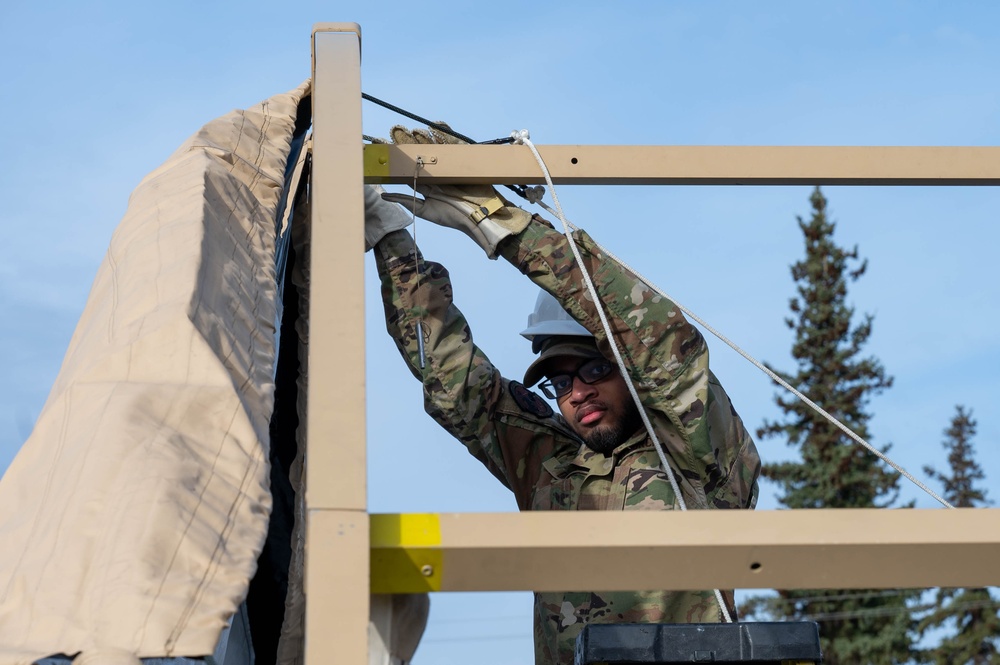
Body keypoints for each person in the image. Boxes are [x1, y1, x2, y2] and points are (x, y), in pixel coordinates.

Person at [364, 166, 761, 665]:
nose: (577, 393)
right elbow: (461, 390)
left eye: (595, 369)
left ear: (630, 368)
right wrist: (390, 239)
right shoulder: (552, 468)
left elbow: (657, 340)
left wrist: (506, 229)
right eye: (560, 382)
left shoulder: (695, 449)